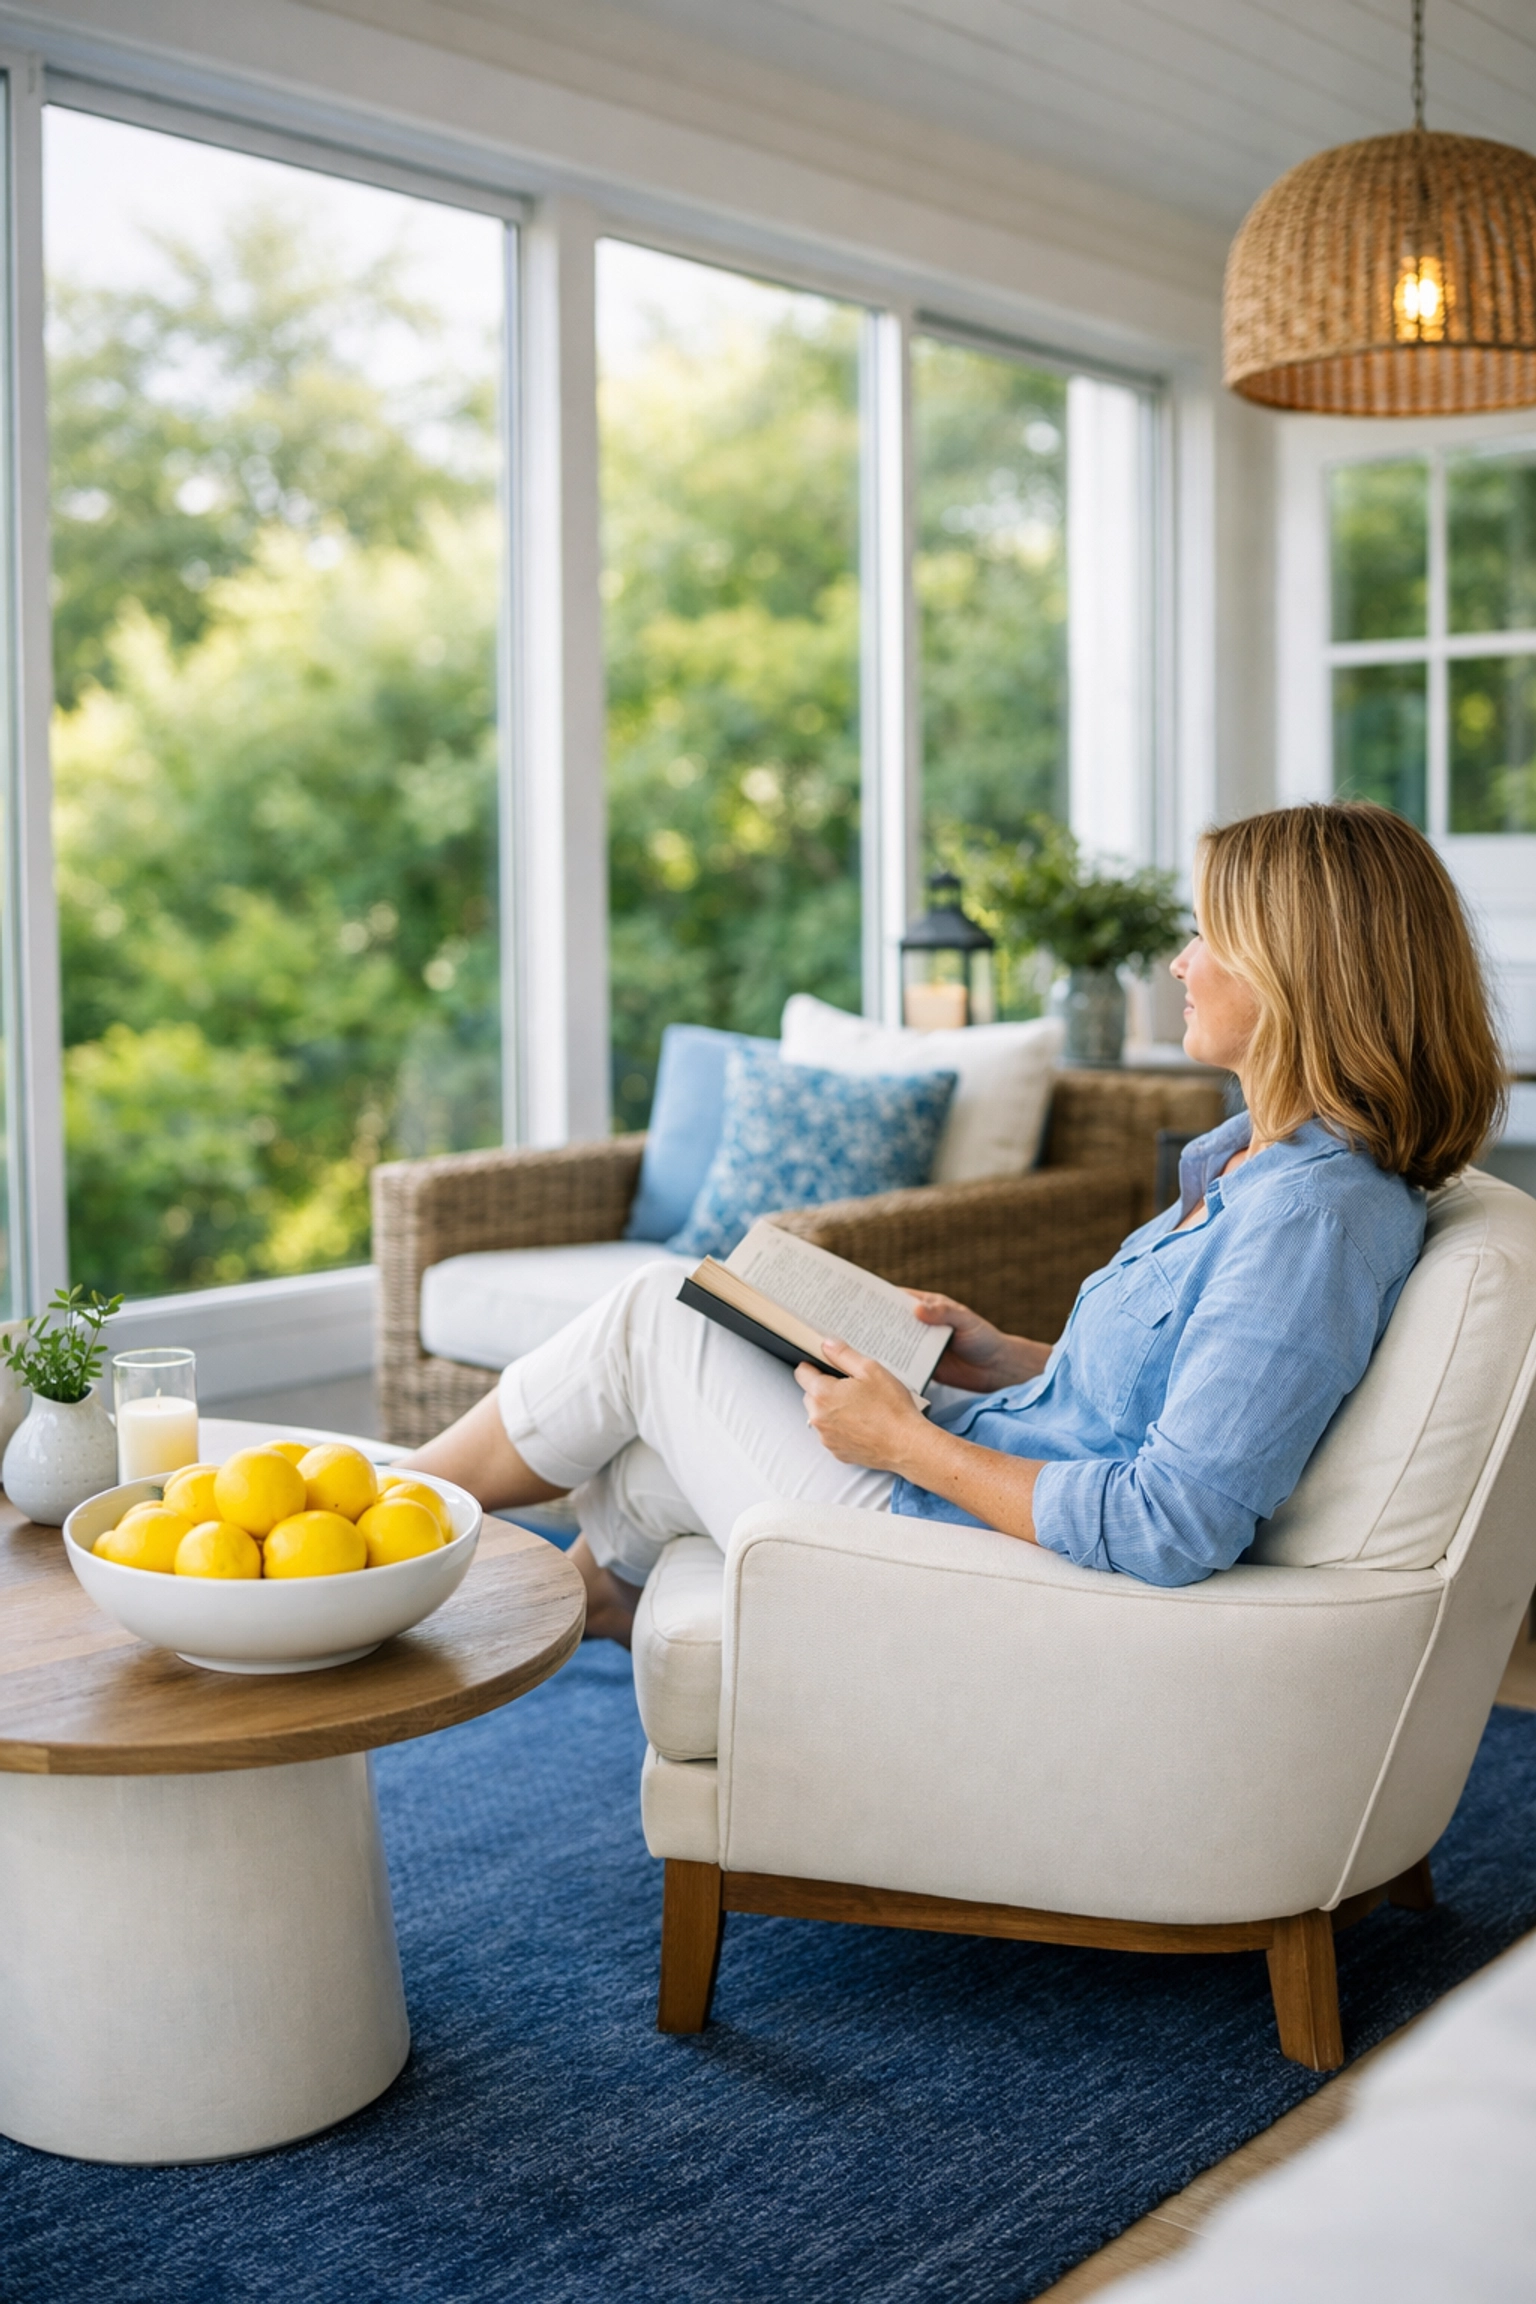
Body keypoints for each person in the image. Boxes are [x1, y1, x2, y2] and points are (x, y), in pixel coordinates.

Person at [402, 802, 1506, 1644]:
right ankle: (521, 1595)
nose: (1180, 961)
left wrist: (908, 1442)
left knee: (656, 1315)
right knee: (638, 1475)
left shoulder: (1312, 1219)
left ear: (1299, 975)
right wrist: (1001, 1359)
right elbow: (1181, 1394)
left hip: (984, 1558)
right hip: (975, 1475)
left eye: (1208, 936)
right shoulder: (1250, 1167)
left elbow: (1176, 1519)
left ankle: (381, 1510)